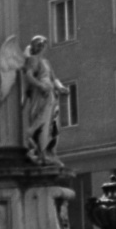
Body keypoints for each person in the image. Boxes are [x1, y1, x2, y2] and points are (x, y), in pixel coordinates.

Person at [22, 35, 69, 165]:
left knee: (51, 122)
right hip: (40, 95)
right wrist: (40, 85)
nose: (42, 47)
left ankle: (46, 151)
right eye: (39, 45)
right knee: (42, 119)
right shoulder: (33, 60)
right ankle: (36, 146)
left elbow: (54, 79)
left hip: (50, 95)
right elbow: (29, 76)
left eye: (43, 45)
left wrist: (61, 87)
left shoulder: (46, 62)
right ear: (34, 47)